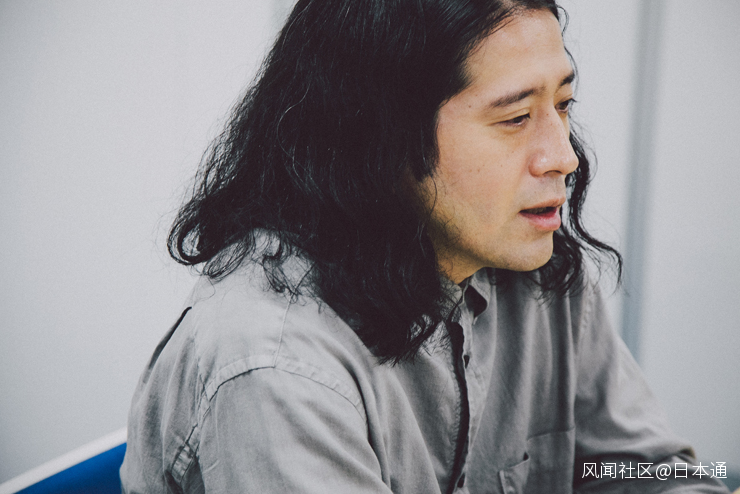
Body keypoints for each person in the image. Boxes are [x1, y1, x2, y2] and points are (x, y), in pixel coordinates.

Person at [120, 0, 731, 492]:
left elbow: (635, 468)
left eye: (564, 105)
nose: (564, 156)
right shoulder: (276, 366)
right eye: (516, 118)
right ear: (380, 139)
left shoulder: (539, 268)